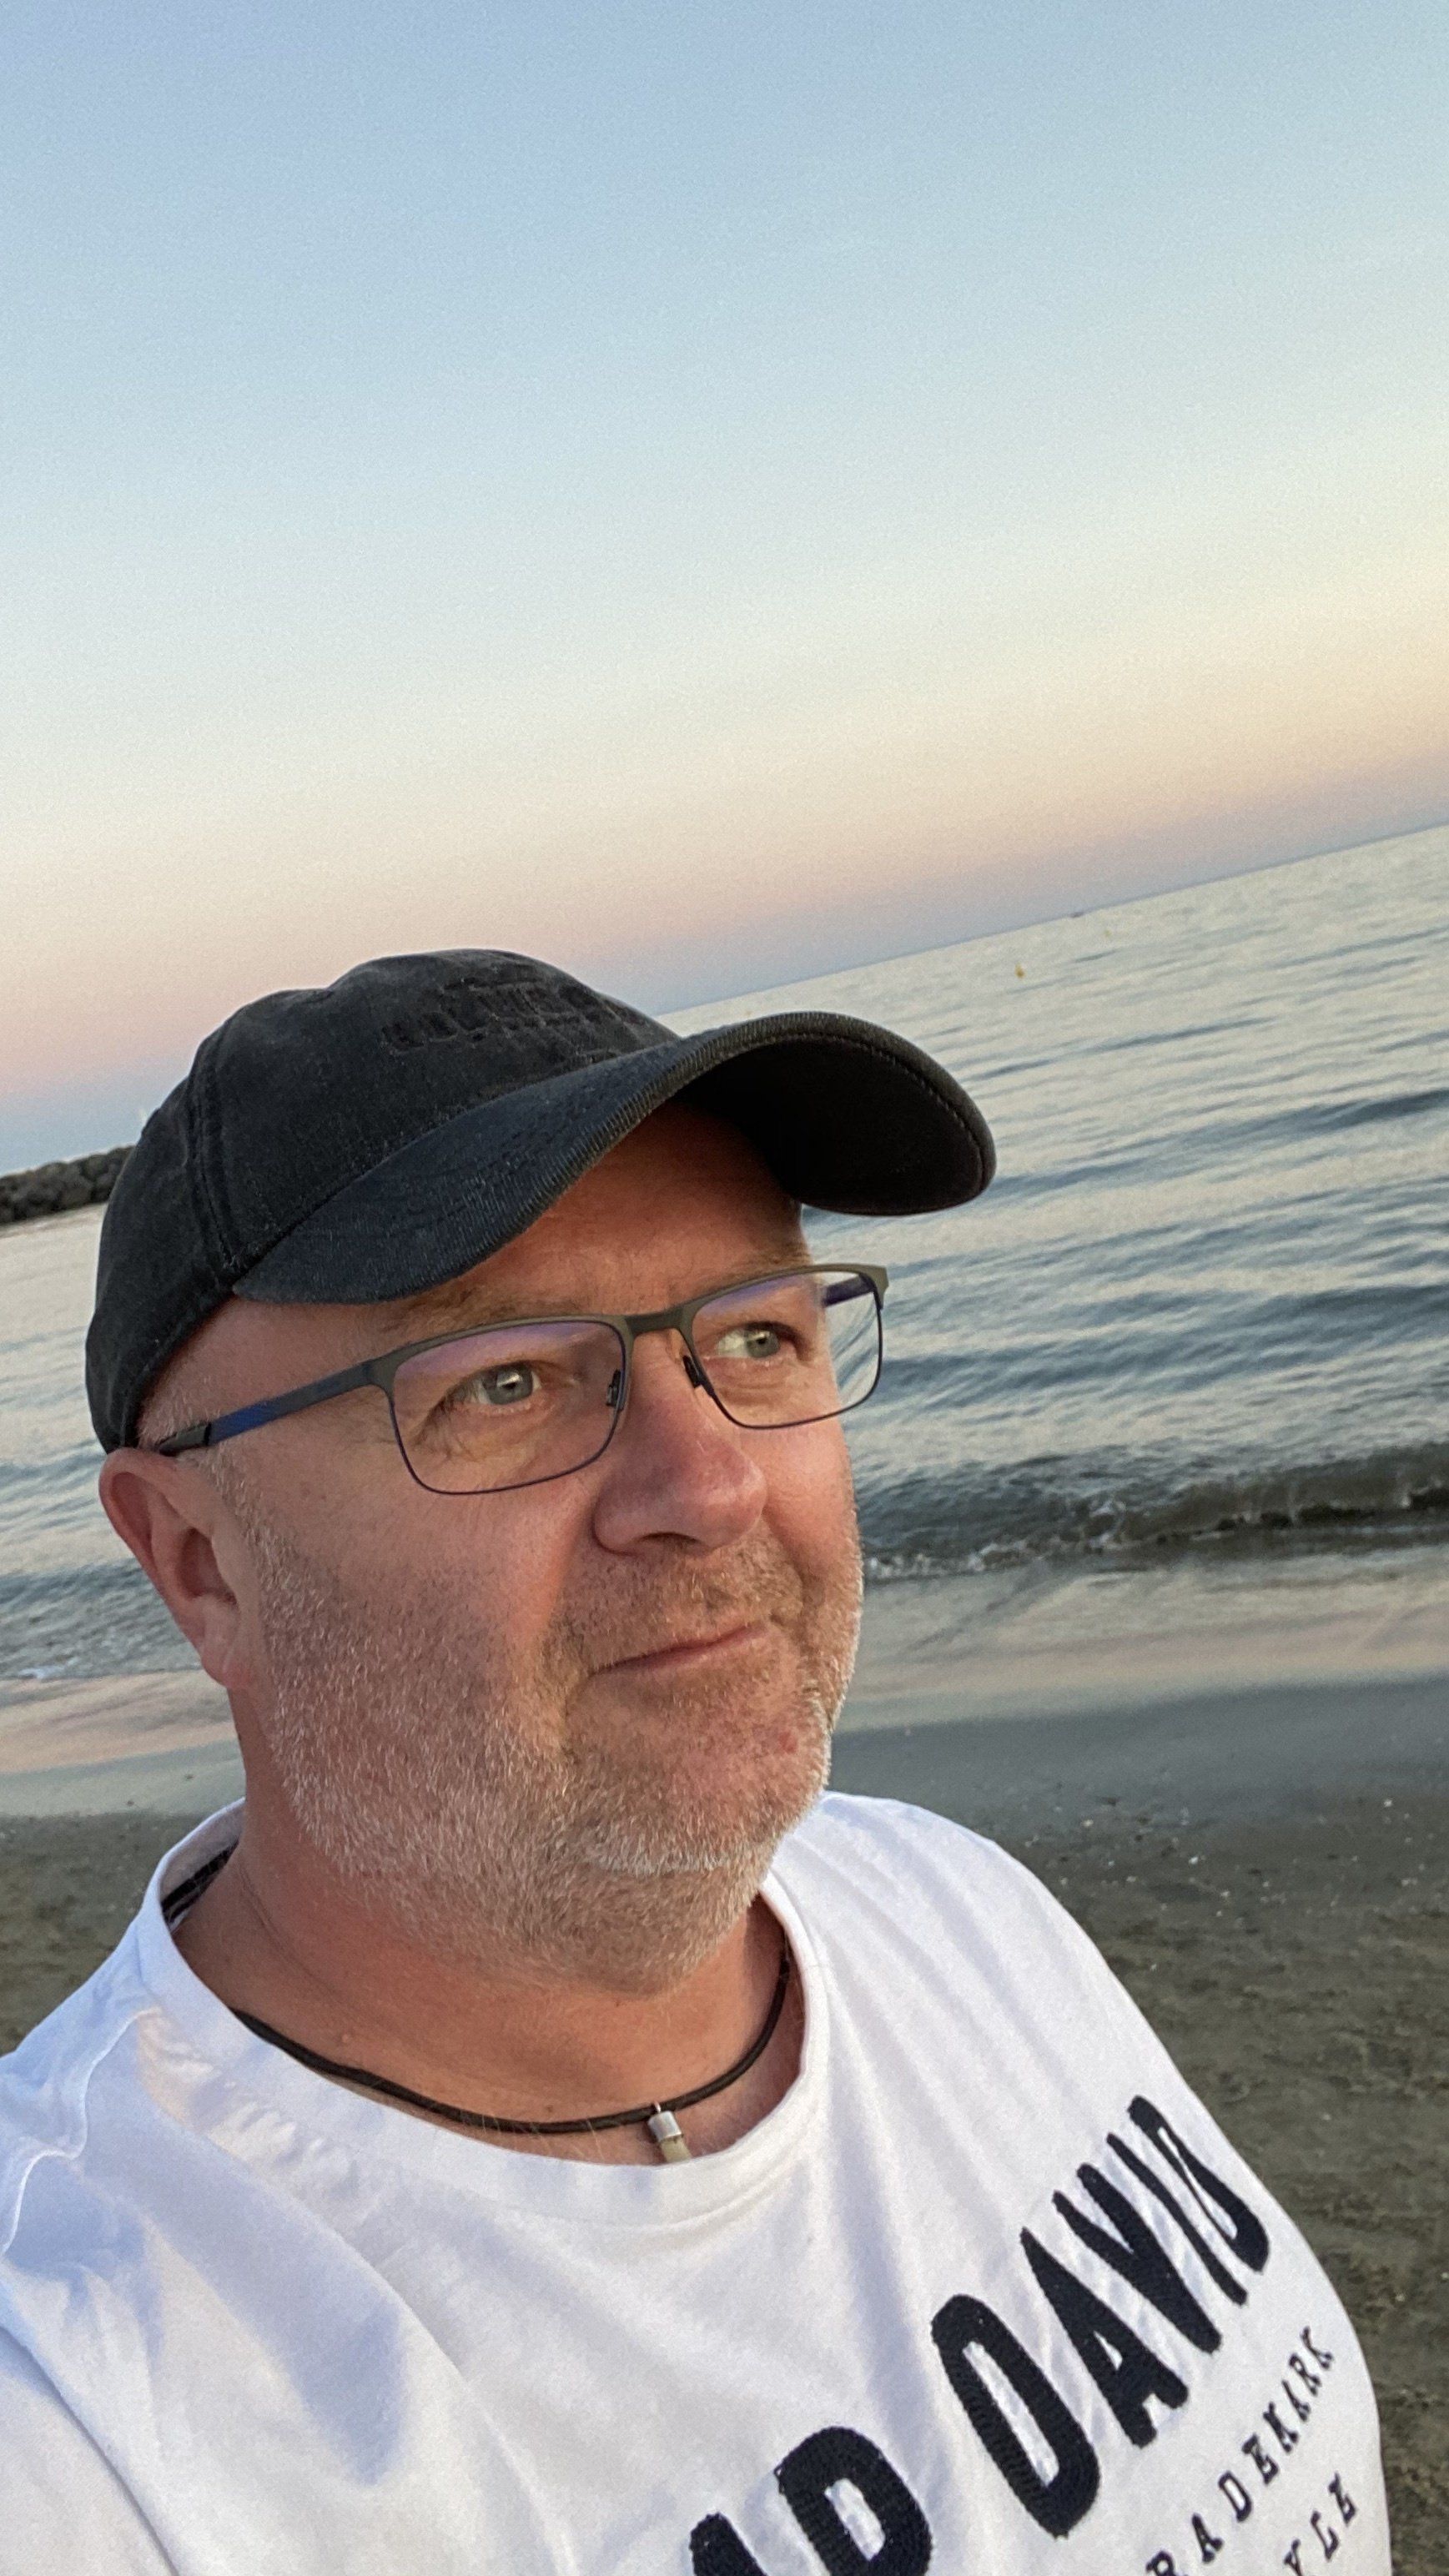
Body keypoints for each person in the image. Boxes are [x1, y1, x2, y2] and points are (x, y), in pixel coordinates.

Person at [0, 951, 1388, 2573]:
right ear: (197, 1561)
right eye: (504, 1382)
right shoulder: (90, 2413)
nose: (712, 1483)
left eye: (755, 1336)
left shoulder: (943, 1897)